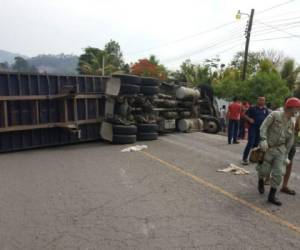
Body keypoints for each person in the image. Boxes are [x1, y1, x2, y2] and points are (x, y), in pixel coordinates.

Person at [256, 97, 300, 206]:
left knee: (278, 173)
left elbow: (290, 140)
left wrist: (286, 155)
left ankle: (272, 196)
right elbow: (263, 127)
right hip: (268, 147)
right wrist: (263, 139)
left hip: (280, 150)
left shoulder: (291, 123)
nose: (298, 111)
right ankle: (261, 179)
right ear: (291, 107)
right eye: (297, 108)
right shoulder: (275, 115)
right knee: (264, 171)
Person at [242, 97, 269, 165]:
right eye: (260, 100)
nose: (262, 101)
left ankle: (253, 158)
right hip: (253, 127)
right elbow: (244, 115)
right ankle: (244, 158)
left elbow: (267, 119)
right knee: (251, 142)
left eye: (263, 100)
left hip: (260, 129)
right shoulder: (252, 108)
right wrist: (249, 119)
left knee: (256, 144)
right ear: (258, 100)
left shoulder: (265, 109)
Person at [280, 113, 300, 195]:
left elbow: (297, 130)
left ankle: (284, 186)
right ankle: (265, 178)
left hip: (292, 142)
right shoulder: (281, 113)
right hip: (280, 142)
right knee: (274, 161)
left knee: (289, 162)